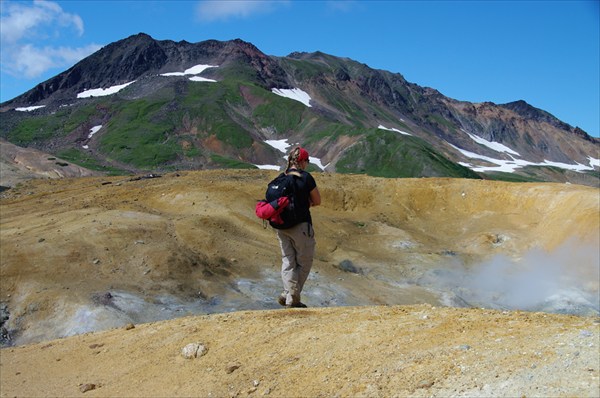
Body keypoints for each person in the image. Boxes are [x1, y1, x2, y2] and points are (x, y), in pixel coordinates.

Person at [275, 146, 321, 308]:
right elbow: (317, 201)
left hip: (281, 227)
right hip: (300, 226)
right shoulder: (306, 178)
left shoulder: (281, 177)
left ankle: (289, 293)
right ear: (302, 161)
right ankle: (291, 297)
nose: (307, 164)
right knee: (304, 262)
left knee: (288, 261)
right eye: (307, 161)